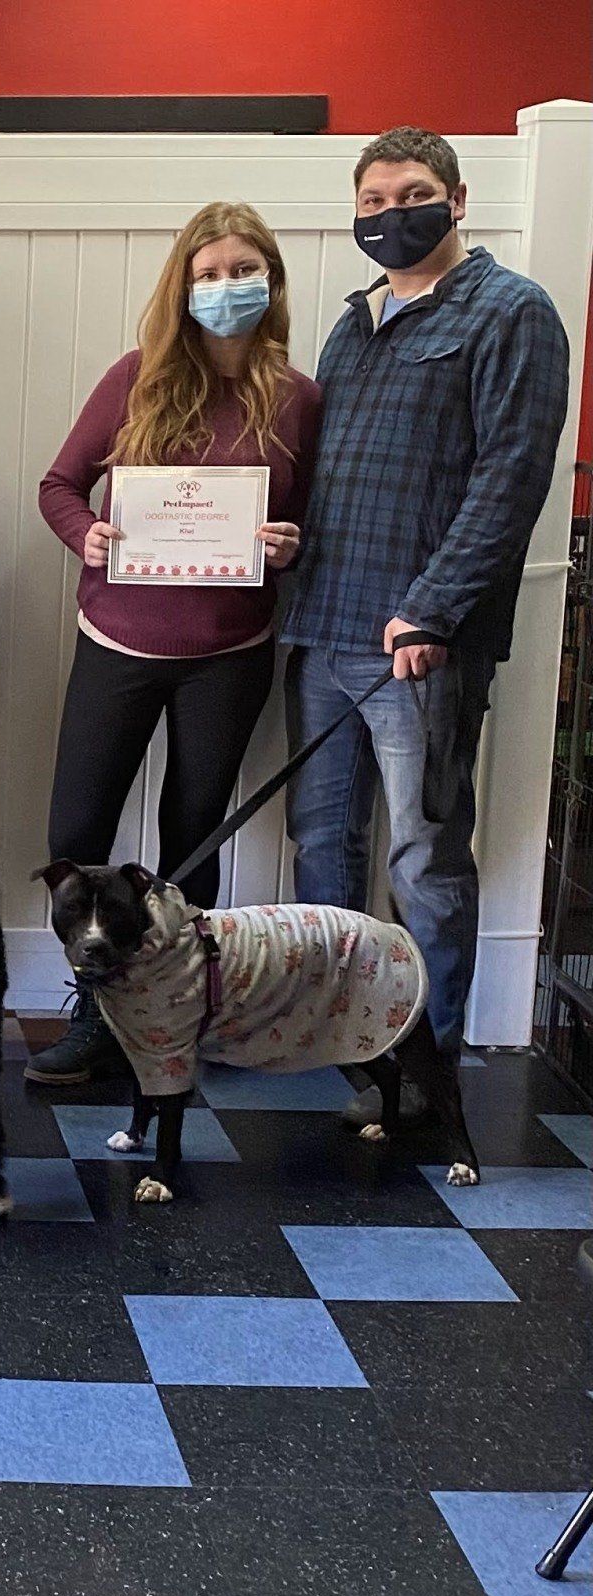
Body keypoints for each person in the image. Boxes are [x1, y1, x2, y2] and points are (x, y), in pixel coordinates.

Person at [281, 126, 569, 1112]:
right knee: (324, 854)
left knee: (425, 859)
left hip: (422, 650)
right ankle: (342, 1042)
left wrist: (431, 608)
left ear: (456, 198)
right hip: (320, 630)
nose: (386, 215)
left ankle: (428, 1062)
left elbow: (511, 479)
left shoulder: (512, 313)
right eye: (369, 201)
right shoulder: (351, 324)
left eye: (407, 194)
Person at [28, 201, 321, 1086]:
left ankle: (176, 1013)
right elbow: (58, 486)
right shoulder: (136, 377)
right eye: (207, 273)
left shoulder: (299, 398)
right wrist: (87, 535)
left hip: (230, 649)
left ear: (270, 280)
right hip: (118, 636)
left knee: (192, 837)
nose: (226, 287)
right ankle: (93, 1006)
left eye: (242, 270)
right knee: (77, 829)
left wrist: (289, 542)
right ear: (181, 286)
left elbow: (307, 517)